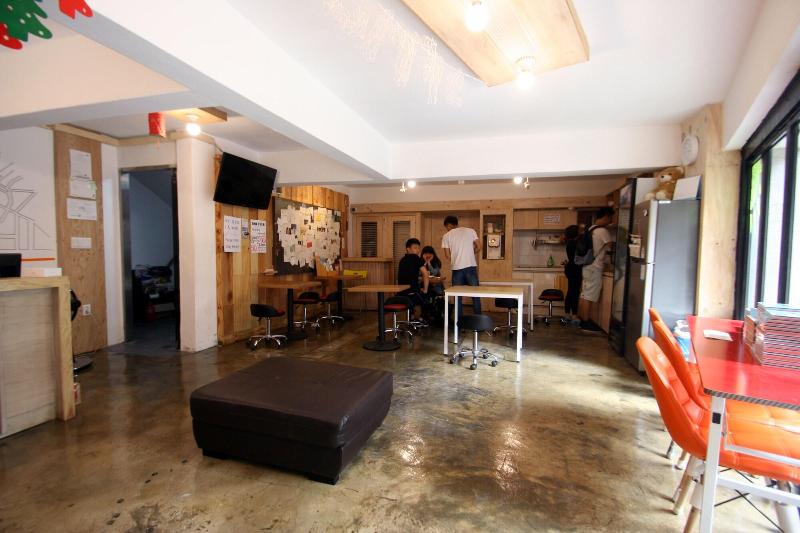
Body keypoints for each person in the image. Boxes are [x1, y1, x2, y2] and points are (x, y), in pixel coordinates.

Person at [578, 207, 615, 331]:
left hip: (587, 265)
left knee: (584, 294)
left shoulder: (590, 229)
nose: (610, 221)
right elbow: (610, 247)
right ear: (606, 216)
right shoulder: (602, 231)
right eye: (610, 218)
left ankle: (583, 320)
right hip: (595, 267)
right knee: (589, 295)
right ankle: (586, 322)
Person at [441, 215, 480, 316]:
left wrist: (456, 257)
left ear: (448, 225)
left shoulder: (446, 236)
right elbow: (479, 247)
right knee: (476, 294)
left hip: (457, 269)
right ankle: (479, 320)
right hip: (470, 267)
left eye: (446, 227)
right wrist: (470, 253)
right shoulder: (471, 231)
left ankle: (459, 321)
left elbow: (447, 256)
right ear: (456, 223)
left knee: (457, 296)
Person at [397, 238, 429, 315]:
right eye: (415, 248)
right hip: (412, 294)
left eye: (418, 248)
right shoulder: (416, 258)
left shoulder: (402, 260)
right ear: (408, 249)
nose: (418, 250)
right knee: (429, 296)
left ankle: (411, 316)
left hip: (401, 294)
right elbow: (425, 274)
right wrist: (425, 290)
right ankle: (423, 317)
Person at [562, 225, 582, 324]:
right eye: (579, 230)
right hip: (575, 269)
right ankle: (574, 316)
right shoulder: (575, 243)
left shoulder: (569, 242)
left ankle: (567, 314)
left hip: (570, 268)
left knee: (570, 292)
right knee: (575, 293)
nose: (581, 232)